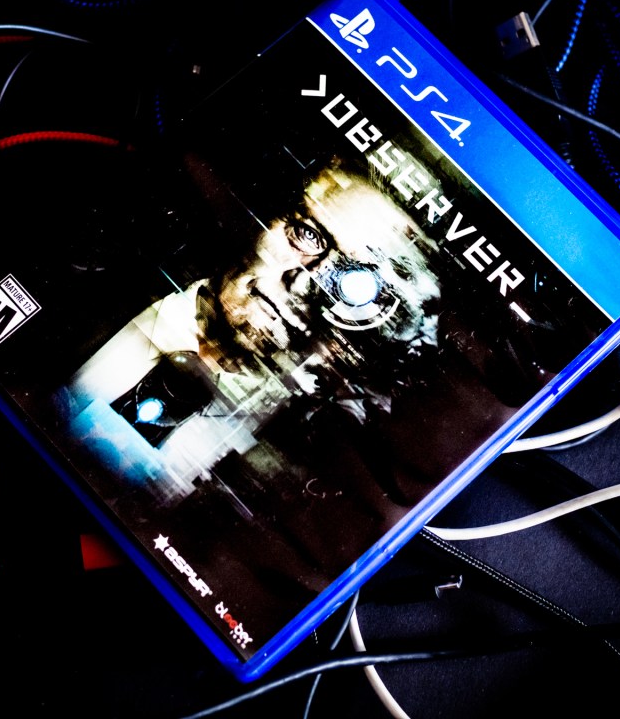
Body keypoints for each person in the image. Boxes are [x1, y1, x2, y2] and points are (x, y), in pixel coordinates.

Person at [58, 155, 444, 507]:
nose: (303, 282)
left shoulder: (299, 461)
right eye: (308, 235)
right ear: (268, 217)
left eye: (353, 282)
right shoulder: (105, 279)